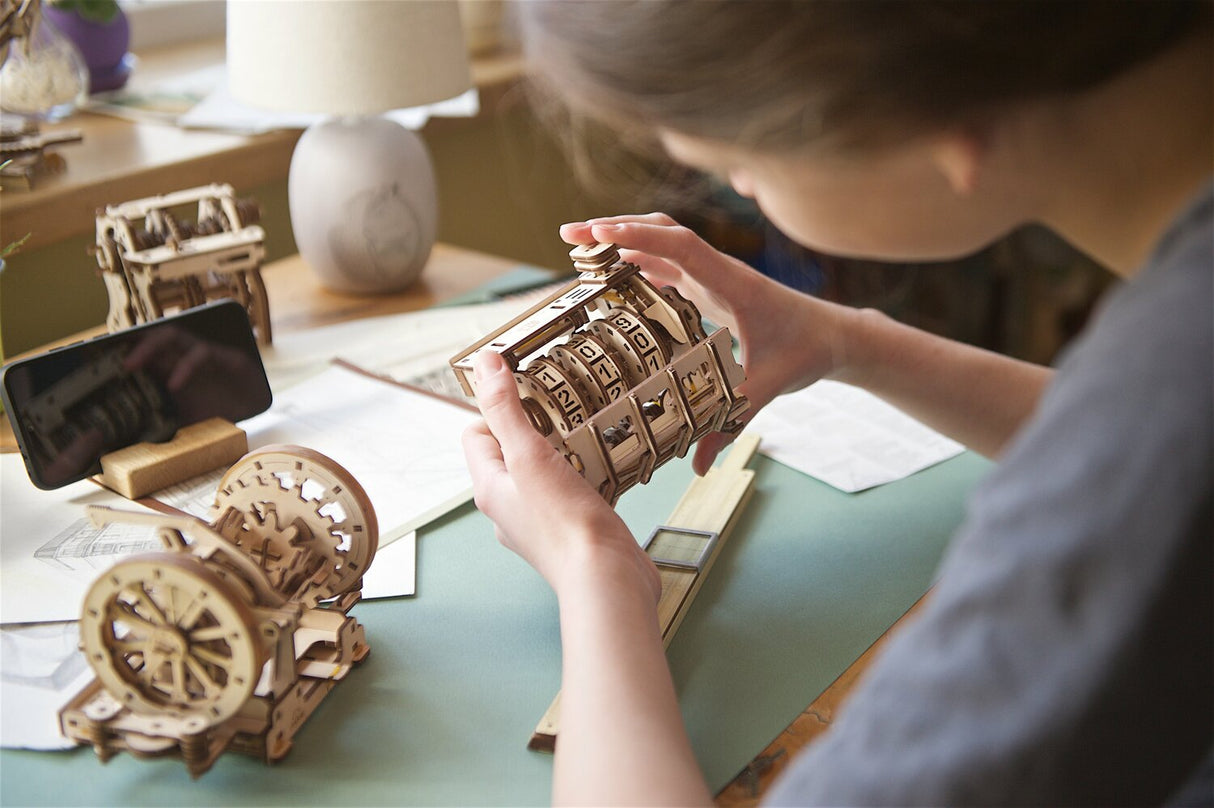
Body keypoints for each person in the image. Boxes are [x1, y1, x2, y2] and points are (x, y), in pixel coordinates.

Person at [461, 2, 1213, 804]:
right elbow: (1122, 428)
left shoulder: (1160, 425)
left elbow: (1142, 451)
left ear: (935, 111)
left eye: (741, 168)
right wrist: (848, 340)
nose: (738, 191)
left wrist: (597, 571)